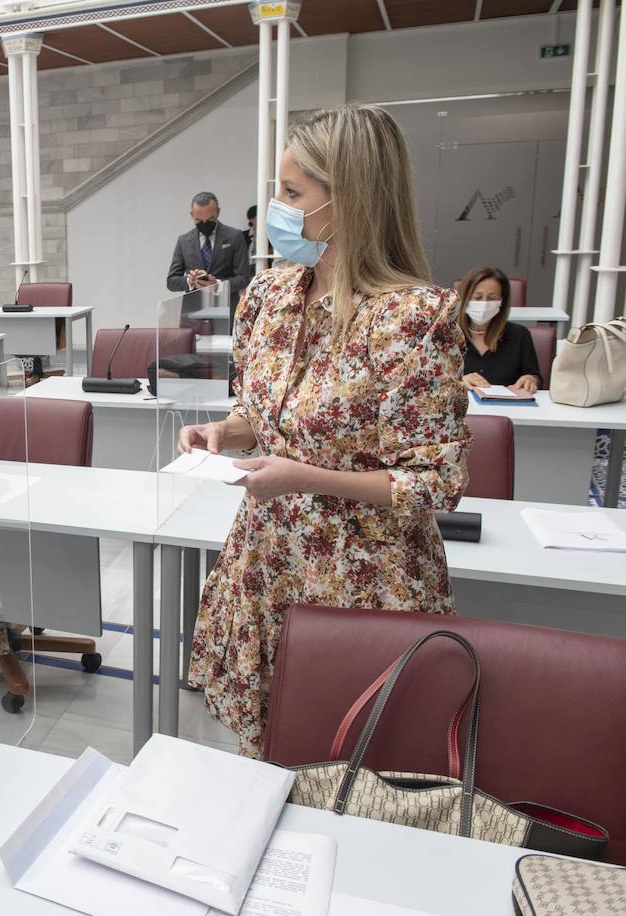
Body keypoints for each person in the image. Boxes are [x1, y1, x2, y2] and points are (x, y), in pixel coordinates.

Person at [177, 106, 470, 757]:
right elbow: (267, 413)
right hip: (269, 559)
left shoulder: (412, 319)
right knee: (267, 760)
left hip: (359, 577)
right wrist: (226, 431)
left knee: (351, 766)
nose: (275, 209)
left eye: (292, 193)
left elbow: (435, 484)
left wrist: (302, 478)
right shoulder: (269, 297)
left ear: (350, 200)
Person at [456, 266, 540, 394]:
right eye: (477, 298)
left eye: (492, 298)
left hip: (508, 410)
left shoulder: (519, 335)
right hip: (461, 410)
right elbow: (431, 380)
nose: (484, 303)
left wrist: (531, 379)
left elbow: (534, 376)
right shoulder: (446, 335)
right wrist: (458, 381)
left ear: (502, 301)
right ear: (464, 299)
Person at [166, 191, 252, 298]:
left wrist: (218, 284)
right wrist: (191, 281)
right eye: (199, 220)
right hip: (193, 309)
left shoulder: (235, 236)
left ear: (218, 212)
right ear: (192, 215)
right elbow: (171, 281)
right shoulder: (183, 241)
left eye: (210, 219)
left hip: (227, 306)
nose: (205, 223)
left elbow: (244, 278)